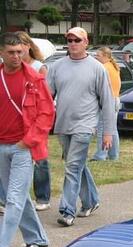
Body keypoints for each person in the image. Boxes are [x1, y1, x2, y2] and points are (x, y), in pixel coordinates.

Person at [47, 27, 116, 227]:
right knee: (77, 165)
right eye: (69, 40)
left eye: (77, 40)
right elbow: (46, 96)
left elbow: (107, 102)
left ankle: (67, 210)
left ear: (86, 42)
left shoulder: (97, 68)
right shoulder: (57, 66)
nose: (73, 43)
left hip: (85, 125)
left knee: (72, 166)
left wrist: (108, 133)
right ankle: (92, 200)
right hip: (63, 125)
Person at [0, 32, 54, 247]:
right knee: (19, 196)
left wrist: (28, 141)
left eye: (19, 52)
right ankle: (37, 239)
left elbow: (47, 113)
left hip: (23, 147)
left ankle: (1, 246)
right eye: (11, 52)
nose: (16, 56)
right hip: (2, 146)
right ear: (1, 52)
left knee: (12, 198)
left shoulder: (34, 79)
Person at [91, 47, 121, 161]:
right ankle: (113, 155)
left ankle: (101, 155)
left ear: (105, 56)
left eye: (98, 55)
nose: (96, 58)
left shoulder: (104, 68)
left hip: (108, 100)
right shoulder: (114, 67)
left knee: (103, 129)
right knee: (112, 129)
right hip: (116, 99)